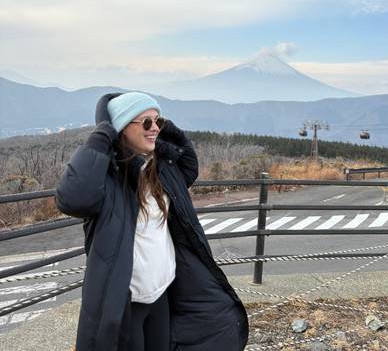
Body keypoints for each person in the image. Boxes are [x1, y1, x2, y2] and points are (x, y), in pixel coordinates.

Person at [56, 91, 249, 351]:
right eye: (146, 122)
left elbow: (190, 166)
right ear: (122, 128)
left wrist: (169, 131)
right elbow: (73, 199)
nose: (155, 128)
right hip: (127, 302)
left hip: (162, 294)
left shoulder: (161, 169)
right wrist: (102, 134)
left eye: (159, 121)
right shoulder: (109, 180)